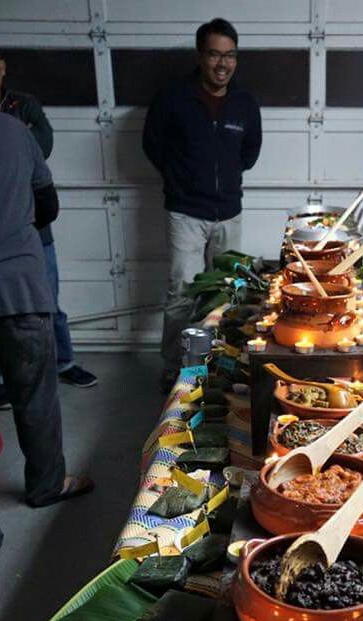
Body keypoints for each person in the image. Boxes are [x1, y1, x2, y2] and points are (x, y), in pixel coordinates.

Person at [0, 109, 93, 553]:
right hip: (18, 285)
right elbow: (47, 203)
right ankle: (47, 485)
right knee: (34, 390)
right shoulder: (13, 131)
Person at [143, 17, 262, 390]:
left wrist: (223, 180)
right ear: (201, 56)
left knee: (225, 291)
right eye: (214, 55)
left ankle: (216, 361)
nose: (222, 64)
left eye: (230, 56)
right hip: (186, 212)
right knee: (182, 292)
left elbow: (249, 153)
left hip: (229, 211)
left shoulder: (244, 103)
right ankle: (174, 365)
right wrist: (182, 180)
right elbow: (153, 145)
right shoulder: (173, 98)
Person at [0, 38, 97, 411]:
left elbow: (43, 146)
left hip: (33, 230)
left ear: (1, 65)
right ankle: (1, 379)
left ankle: (63, 362)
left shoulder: (23, 106)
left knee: (46, 301)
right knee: (0, 313)